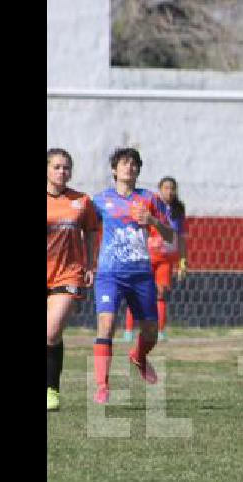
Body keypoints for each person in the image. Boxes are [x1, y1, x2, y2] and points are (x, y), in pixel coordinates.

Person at [90, 148, 179, 404]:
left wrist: (152, 220)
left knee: (150, 332)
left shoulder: (149, 199)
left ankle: (138, 356)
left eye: (134, 164)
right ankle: (102, 386)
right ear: (114, 170)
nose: (129, 167)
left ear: (138, 170)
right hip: (109, 274)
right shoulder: (100, 201)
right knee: (106, 325)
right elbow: (85, 228)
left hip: (141, 274)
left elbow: (170, 236)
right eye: (124, 163)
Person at [47, 148, 100, 411]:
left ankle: (51, 391)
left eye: (66, 167)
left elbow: (91, 232)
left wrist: (91, 263)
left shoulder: (82, 201)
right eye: (57, 167)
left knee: (51, 331)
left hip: (68, 273)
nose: (62, 172)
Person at [123, 176, 188, 342]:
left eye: (172, 188)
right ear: (159, 189)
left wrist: (182, 262)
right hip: (146, 256)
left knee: (160, 293)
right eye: (166, 188)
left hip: (165, 258)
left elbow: (180, 238)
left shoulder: (178, 211)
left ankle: (160, 331)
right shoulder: (152, 204)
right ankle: (129, 331)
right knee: (137, 292)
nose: (169, 191)